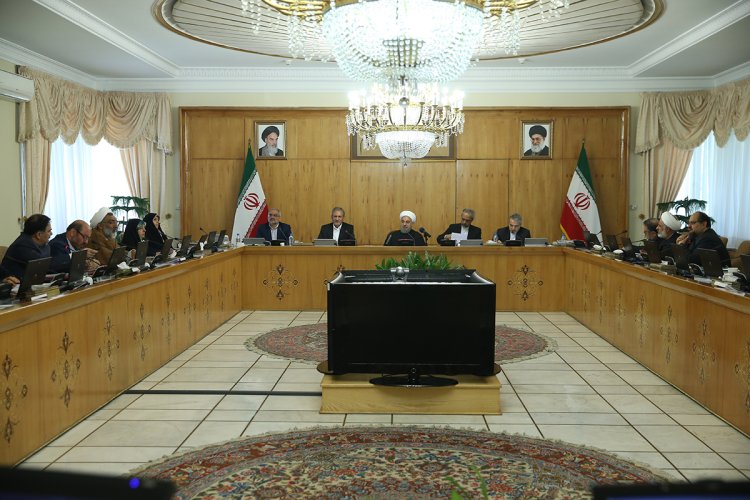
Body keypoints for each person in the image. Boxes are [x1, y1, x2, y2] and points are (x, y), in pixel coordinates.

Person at [1, 213, 53, 279]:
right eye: (49, 231)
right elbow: (43, 266)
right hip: (14, 283)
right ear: (39, 235)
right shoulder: (22, 245)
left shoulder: (41, 244)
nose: (51, 233)